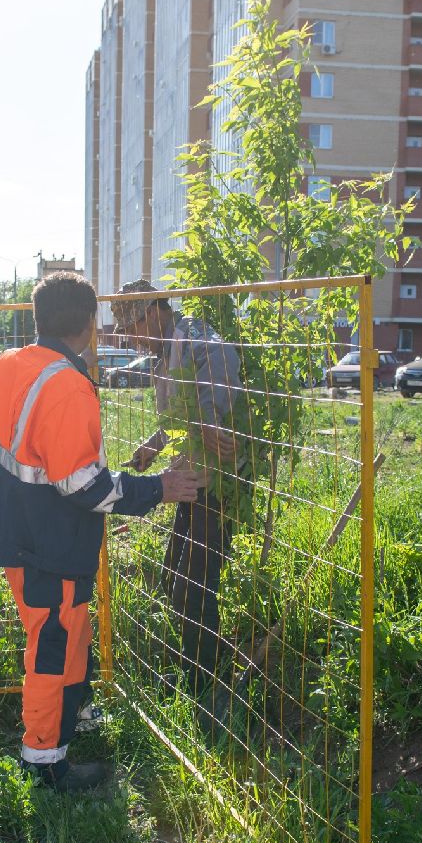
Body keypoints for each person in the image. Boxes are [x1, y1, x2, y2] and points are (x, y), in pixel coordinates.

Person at [0, 271, 203, 791]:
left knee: (69, 634)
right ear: (91, 324)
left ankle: (72, 719)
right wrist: (159, 488)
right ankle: (44, 761)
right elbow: (84, 487)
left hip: (19, 533)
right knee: (52, 646)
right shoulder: (66, 385)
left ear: (38, 317)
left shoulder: (15, 365)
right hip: (49, 543)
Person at [112, 280, 243, 718]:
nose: (129, 337)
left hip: (217, 485)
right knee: (176, 578)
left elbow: (223, 364)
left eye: (131, 326)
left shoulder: (192, 335)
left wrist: (212, 419)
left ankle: (204, 683)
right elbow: (177, 419)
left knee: (195, 584)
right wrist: (154, 443)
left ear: (154, 312)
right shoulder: (160, 359)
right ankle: (197, 666)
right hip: (188, 481)